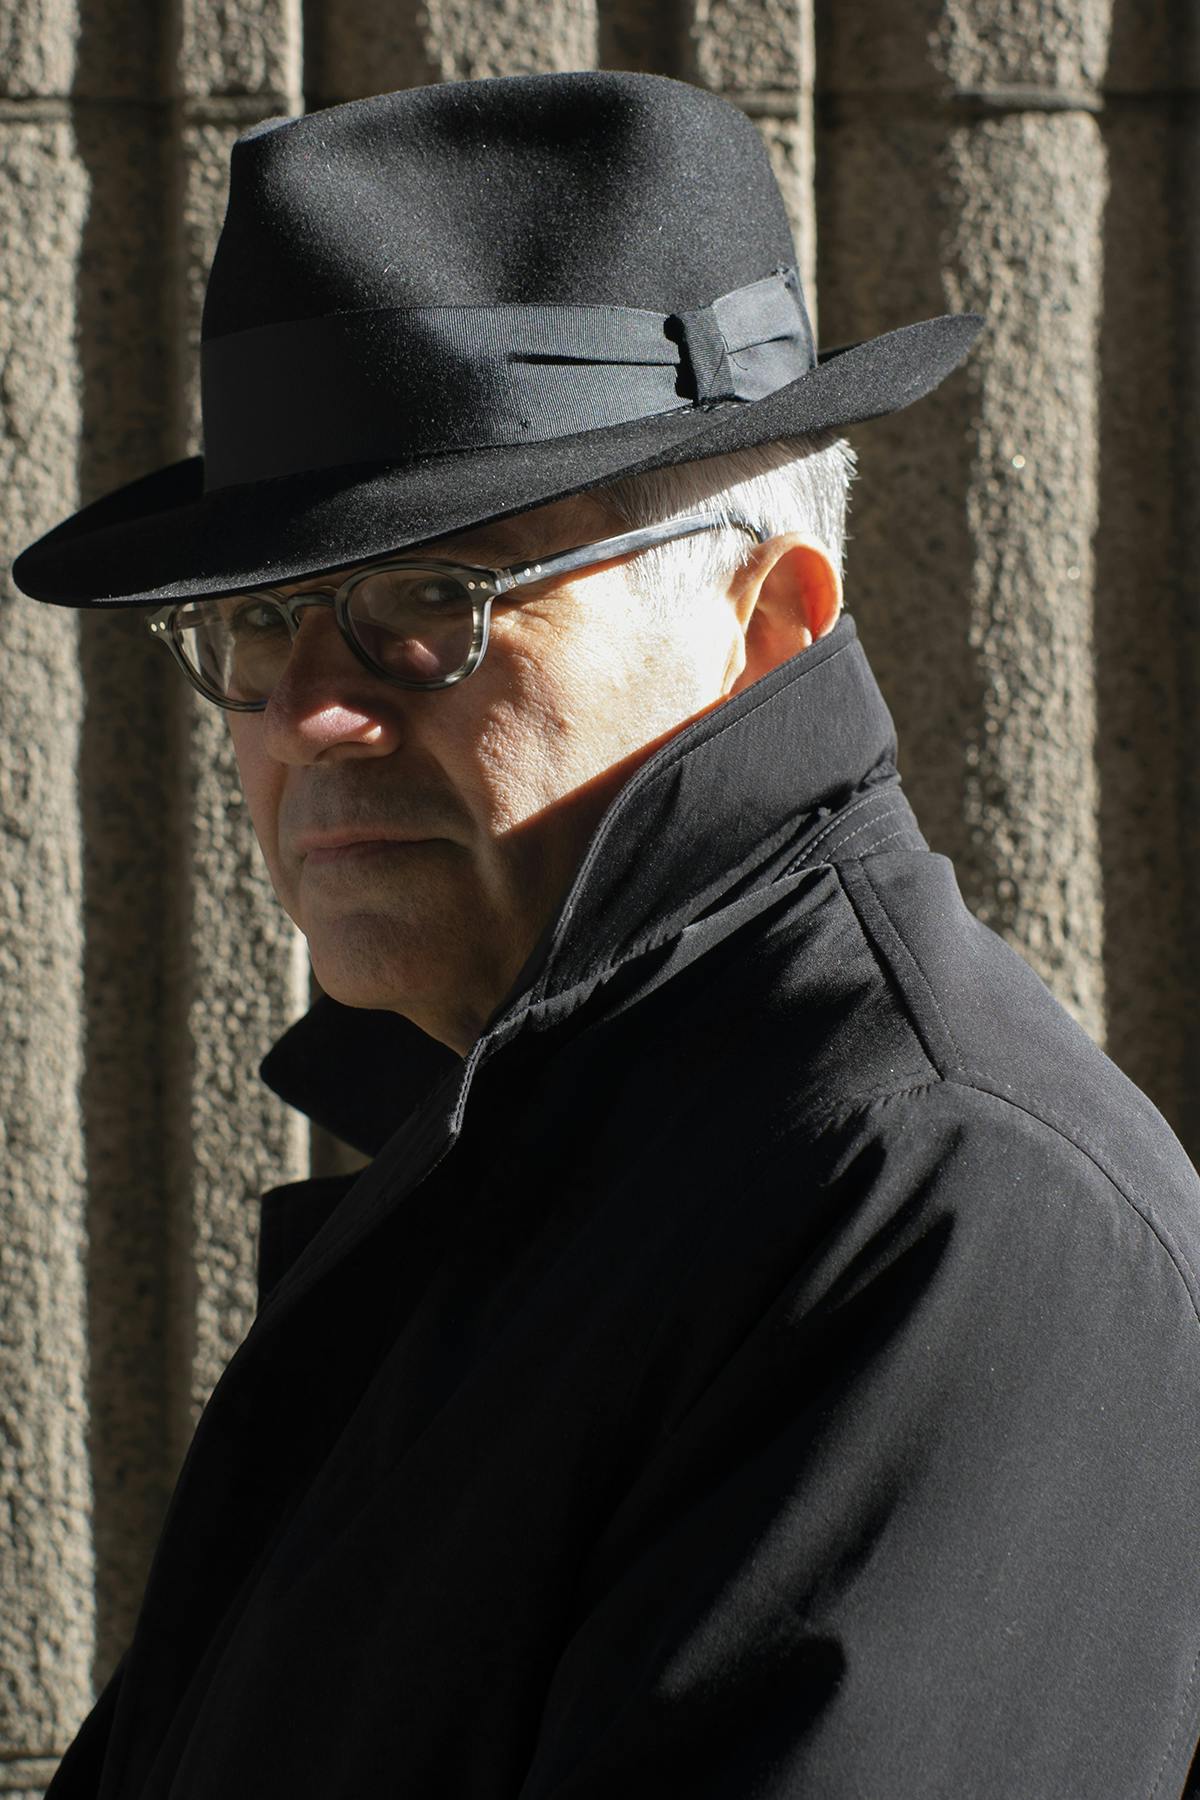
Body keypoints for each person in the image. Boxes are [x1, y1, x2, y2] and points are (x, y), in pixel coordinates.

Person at [12, 68, 1200, 1800]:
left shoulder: (946, 1205)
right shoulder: (535, 1155)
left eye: (436, 598)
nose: (310, 718)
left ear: (769, 622)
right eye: (262, 619)